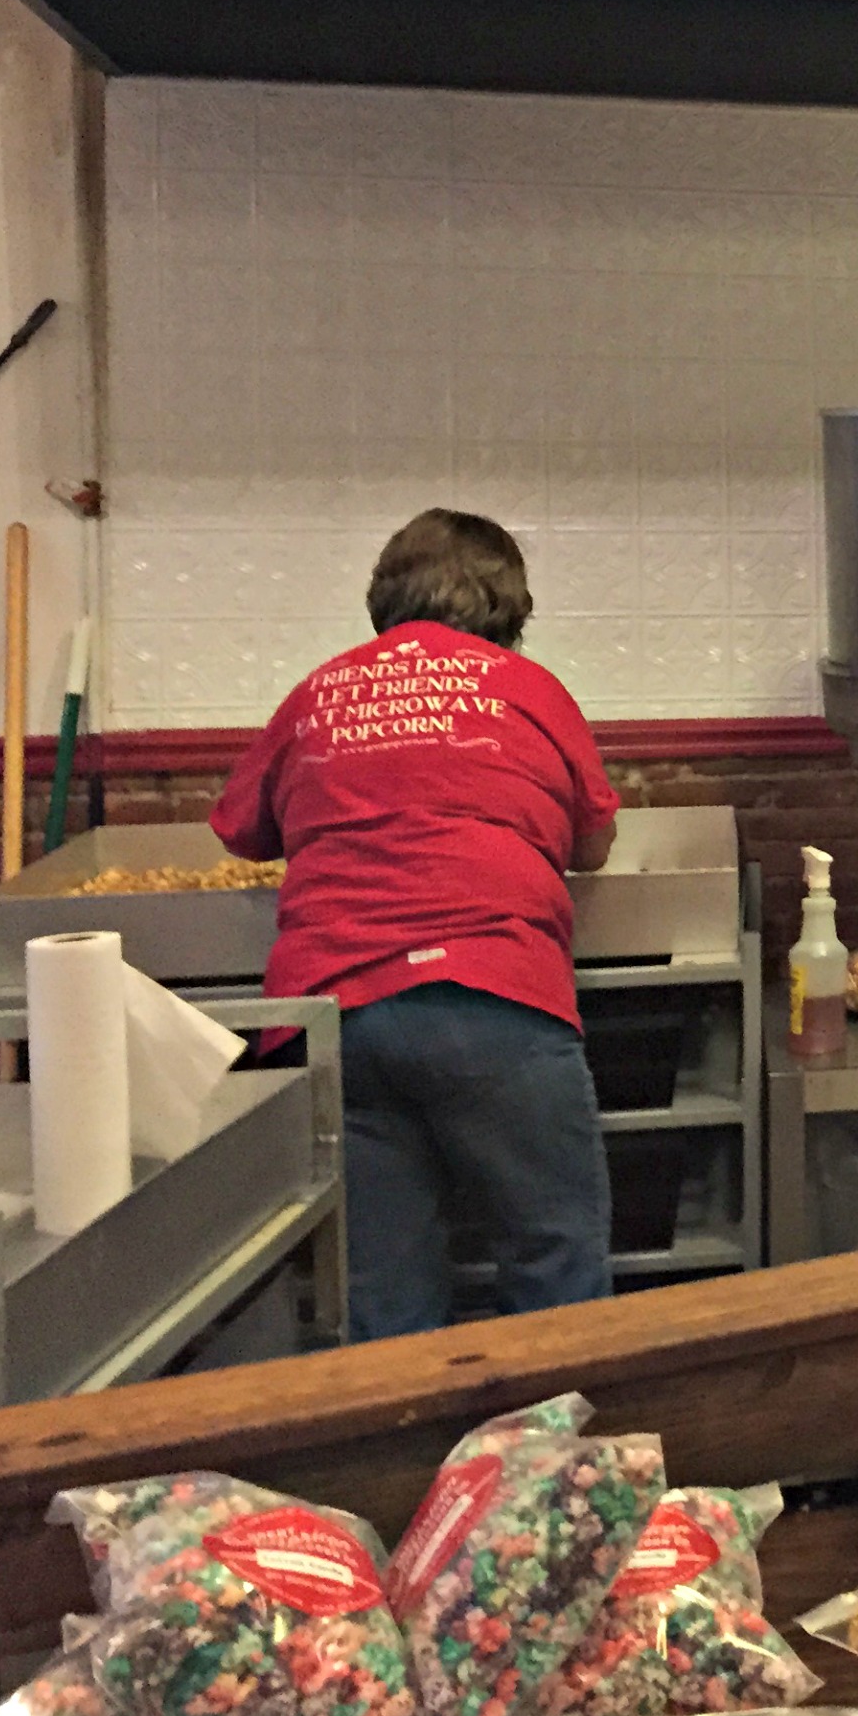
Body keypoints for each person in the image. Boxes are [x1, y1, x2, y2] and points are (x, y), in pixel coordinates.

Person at [214, 508, 621, 1340]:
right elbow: (595, 843)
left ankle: (407, 1466)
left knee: (381, 1292)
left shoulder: (319, 692)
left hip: (333, 1015)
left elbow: (240, 832)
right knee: (553, 1259)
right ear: (511, 607)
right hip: (493, 994)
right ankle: (556, 1466)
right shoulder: (529, 690)